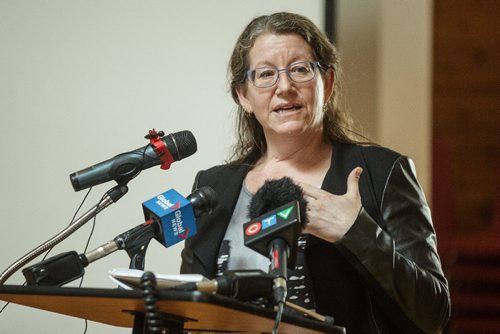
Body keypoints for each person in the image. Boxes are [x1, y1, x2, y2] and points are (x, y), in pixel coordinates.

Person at [180, 12, 450, 334]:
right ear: (243, 95)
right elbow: (187, 306)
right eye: (266, 74)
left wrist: (357, 232)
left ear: (328, 82)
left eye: (300, 70)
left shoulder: (382, 173)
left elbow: (434, 312)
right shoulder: (213, 186)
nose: (284, 87)